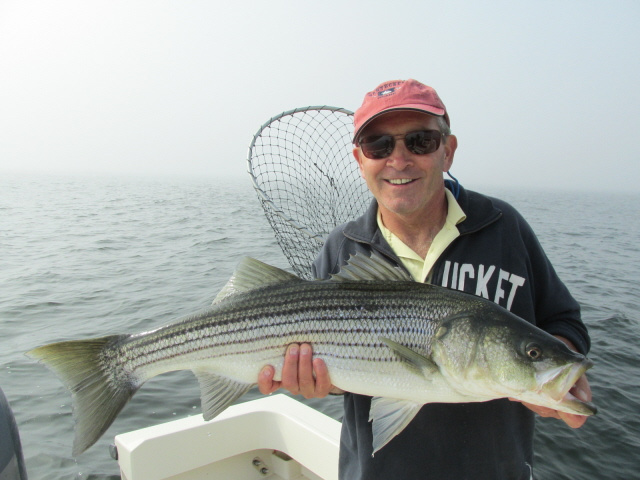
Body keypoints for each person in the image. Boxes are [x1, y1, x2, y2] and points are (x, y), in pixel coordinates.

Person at [258, 79, 592, 479]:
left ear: (447, 152)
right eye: (378, 146)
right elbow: (338, 372)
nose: (399, 160)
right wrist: (318, 382)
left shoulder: (505, 228)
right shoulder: (341, 249)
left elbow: (564, 321)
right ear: (359, 160)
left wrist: (551, 364)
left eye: (420, 142)